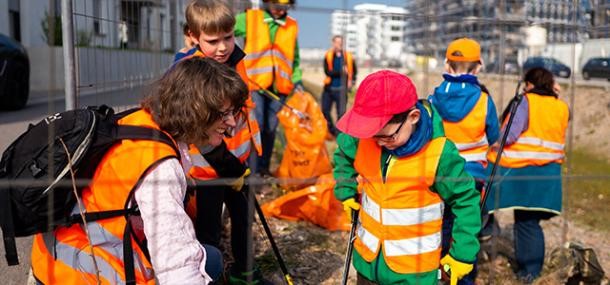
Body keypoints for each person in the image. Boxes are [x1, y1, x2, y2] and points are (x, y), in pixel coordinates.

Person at [30, 57, 247, 285]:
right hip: (82, 274)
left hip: (54, 258)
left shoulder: (139, 122)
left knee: (209, 257)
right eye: (223, 114)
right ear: (195, 110)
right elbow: (175, 262)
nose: (232, 122)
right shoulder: (161, 166)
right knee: (207, 261)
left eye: (233, 112)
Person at [333, 70, 481, 285]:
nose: (379, 142)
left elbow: (466, 201)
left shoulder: (440, 155)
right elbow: (343, 154)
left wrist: (462, 254)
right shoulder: (368, 137)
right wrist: (346, 191)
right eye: (373, 135)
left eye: (387, 136)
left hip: (414, 274)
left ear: (413, 117)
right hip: (367, 263)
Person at [178, 1, 265, 284]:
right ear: (193, 36)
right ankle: (209, 277)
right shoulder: (191, 73)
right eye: (212, 41)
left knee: (243, 220)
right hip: (209, 171)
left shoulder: (238, 61)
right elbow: (199, 135)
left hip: (241, 160)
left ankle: (246, 273)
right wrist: (232, 170)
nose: (222, 47)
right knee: (208, 231)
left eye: (228, 37)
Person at [484, 67, 569, 283]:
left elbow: (510, 135)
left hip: (520, 170)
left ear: (529, 84)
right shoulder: (561, 106)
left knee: (483, 200)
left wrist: (493, 140)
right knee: (530, 221)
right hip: (549, 173)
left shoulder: (526, 101)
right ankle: (531, 271)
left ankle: (525, 272)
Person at [428, 37, 499, 284]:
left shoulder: (434, 97)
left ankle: (439, 272)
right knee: (467, 227)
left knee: (442, 225)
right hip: (472, 177)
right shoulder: (483, 100)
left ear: (447, 65)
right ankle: (464, 277)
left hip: (440, 173)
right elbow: (495, 138)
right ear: (478, 67)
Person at [234, 0, 303, 176]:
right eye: (276, 5)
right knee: (257, 126)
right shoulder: (250, 18)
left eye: (285, 6)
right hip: (255, 84)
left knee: (270, 128)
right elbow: (224, 28)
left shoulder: (292, 26)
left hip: (279, 88)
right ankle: (253, 170)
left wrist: (297, 80)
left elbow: (294, 58)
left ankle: (263, 169)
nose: (280, 10)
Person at [321, 35, 357, 139]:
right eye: (337, 42)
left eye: (341, 42)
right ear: (333, 43)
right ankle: (331, 130)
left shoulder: (348, 56)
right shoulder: (328, 55)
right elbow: (327, 72)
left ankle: (338, 135)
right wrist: (341, 72)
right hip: (329, 89)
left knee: (341, 113)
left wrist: (352, 81)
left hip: (342, 89)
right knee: (325, 111)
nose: (339, 44)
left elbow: (354, 71)